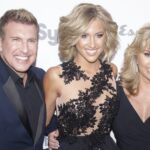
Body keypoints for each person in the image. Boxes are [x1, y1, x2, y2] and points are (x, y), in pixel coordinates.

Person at [44, 3, 119, 150]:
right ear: (73, 37)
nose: (92, 44)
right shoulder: (56, 76)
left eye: (99, 35)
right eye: (84, 35)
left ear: (107, 37)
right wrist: (51, 132)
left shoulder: (112, 70)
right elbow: (42, 123)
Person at [0, 8, 56, 150]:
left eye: (31, 41)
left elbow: (42, 117)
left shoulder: (41, 76)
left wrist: (53, 130)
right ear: (0, 43)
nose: (25, 49)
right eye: (16, 40)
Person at [113, 23, 150, 150]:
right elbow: (93, 132)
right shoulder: (116, 92)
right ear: (135, 56)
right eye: (147, 54)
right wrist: (54, 131)